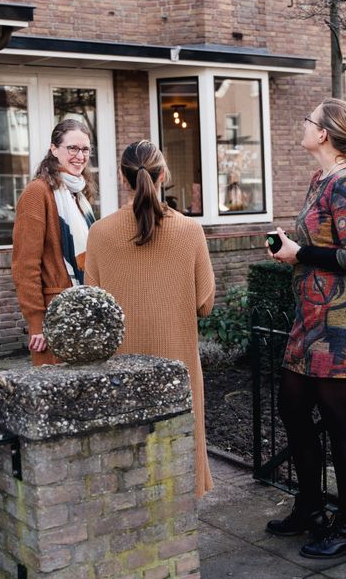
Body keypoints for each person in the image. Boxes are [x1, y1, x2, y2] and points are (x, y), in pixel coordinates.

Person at [264, 98, 346, 559]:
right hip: (312, 311)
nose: (303, 124)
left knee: (339, 421)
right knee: (292, 406)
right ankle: (312, 509)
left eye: (308, 120)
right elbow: (321, 246)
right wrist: (291, 251)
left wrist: (300, 254)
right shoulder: (321, 179)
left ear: (325, 134)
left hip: (345, 315)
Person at [85, 140, 216, 498]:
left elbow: (94, 310)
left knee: (127, 466)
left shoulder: (99, 233)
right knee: (178, 460)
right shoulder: (190, 230)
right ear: (163, 175)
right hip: (178, 367)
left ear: (124, 179)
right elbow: (204, 304)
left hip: (121, 372)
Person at [11, 119, 96, 366]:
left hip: (84, 308)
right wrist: (36, 323)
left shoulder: (79, 195)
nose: (80, 156)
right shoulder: (38, 193)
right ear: (54, 148)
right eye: (72, 148)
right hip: (55, 315)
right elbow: (25, 265)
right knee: (57, 395)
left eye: (85, 150)